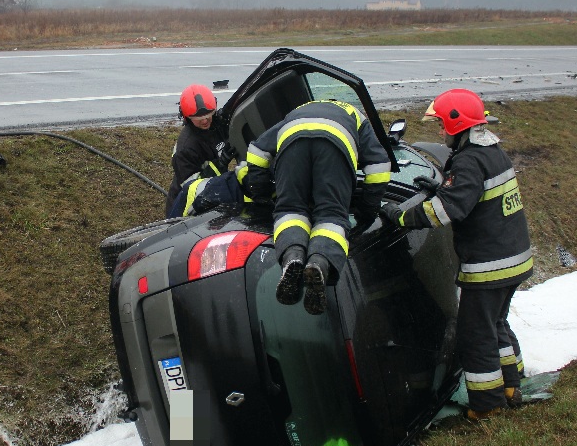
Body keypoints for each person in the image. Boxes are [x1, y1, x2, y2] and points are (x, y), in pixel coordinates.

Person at [379, 89, 532, 421]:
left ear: (456, 123)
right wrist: (443, 186)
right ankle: (512, 384)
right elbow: (472, 196)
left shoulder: (468, 161)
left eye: (440, 125)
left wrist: (402, 216)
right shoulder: (492, 153)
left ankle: (488, 405)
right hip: (514, 260)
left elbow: (445, 212)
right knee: (496, 323)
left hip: (489, 266)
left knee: (475, 334)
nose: (439, 132)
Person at [243, 99, 392, 315]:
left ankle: (292, 256)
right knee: (331, 216)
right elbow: (379, 166)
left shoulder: (297, 111)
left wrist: (261, 192)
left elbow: (257, 150)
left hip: (292, 144)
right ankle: (319, 263)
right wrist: (368, 209)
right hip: (334, 148)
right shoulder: (356, 116)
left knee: (290, 212)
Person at [164, 84, 234, 215]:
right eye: (198, 119)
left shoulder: (217, 124)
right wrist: (220, 164)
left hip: (214, 191)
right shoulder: (185, 149)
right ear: (187, 118)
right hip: (187, 206)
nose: (205, 121)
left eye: (209, 115)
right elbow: (193, 188)